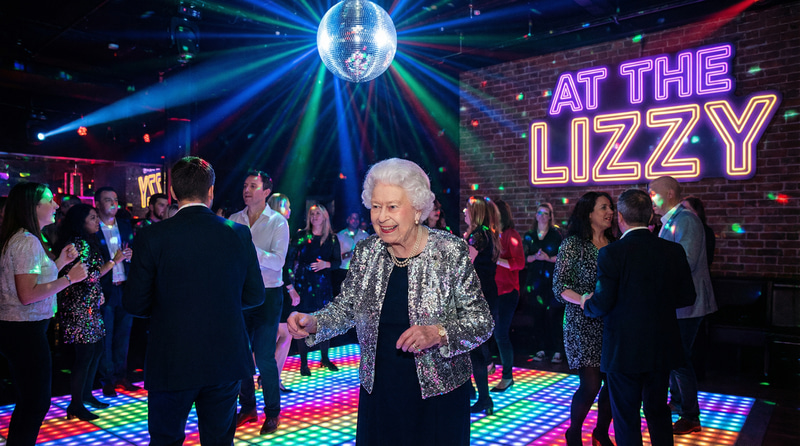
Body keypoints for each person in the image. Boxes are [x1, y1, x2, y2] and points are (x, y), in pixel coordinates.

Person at [287, 158, 494, 445]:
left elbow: (482, 322)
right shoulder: (367, 251)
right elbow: (347, 308)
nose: (381, 217)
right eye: (376, 206)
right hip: (379, 392)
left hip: (439, 396)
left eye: (392, 207)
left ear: (417, 209)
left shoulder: (449, 250)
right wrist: (314, 322)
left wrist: (439, 333)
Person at [123, 157, 265, 446]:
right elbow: (255, 295)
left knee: (165, 440)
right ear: (210, 191)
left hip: (171, 357)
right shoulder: (238, 233)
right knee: (219, 441)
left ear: (173, 192)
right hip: (225, 357)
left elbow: (135, 303)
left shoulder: (152, 236)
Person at [583, 189, 697, 446]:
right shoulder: (673, 250)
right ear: (650, 216)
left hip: (624, 349)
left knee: (626, 417)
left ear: (621, 218)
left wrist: (586, 304)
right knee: (658, 411)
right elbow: (687, 297)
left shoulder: (612, 253)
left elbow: (602, 303)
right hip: (661, 346)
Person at [0, 183, 87, 446]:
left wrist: (60, 263)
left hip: (20, 329)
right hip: (24, 330)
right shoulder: (26, 241)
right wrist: (69, 279)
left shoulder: (23, 238)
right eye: (49, 200)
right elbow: (27, 294)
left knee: (29, 401)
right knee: (35, 403)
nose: (56, 205)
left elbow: (34, 280)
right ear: (33, 206)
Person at [649, 176, 717, 435]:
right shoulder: (673, 220)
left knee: (679, 359)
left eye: (653, 193)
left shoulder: (685, 220)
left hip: (688, 304)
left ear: (669, 193)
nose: (650, 199)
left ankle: (690, 416)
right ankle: (678, 403)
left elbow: (685, 262)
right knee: (675, 356)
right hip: (679, 304)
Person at [228, 170, 289, 434]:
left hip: (268, 295)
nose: (247, 190)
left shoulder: (278, 222)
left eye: (253, 186)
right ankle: (248, 407)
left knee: (264, 356)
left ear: (266, 192)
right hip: (240, 293)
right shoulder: (234, 219)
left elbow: (278, 261)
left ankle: (272, 413)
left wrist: (250, 248)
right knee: (241, 354)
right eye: (245, 185)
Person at [553, 191, 616, 446]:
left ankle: (601, 432)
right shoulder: (573, 245)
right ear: (589, 213)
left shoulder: (615, 243)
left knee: (612, 383)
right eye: (604, 207)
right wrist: (582, 299)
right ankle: (574, 432)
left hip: (611, 322)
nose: (610, 212)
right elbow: (559, 286)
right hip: (582, 321)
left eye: (611, 207)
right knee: (590, 384)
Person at [54, 204, 126, 420]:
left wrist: (98, 292)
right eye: (93, 218)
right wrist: (114, 261)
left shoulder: (87, 241)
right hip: (78, 307)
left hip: (90, 305)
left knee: (95, 350)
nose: (97, 221)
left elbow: (92, 275)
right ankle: (75, 404)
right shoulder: (77, 243)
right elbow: (89, 275)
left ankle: (85, 395)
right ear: (81, 221)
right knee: (85, 355)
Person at [289, 204, 341, 376]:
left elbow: (337, 262)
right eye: (312, 214)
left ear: (325, 216)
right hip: (304, 283)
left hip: (323, 284)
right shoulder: (302, 235)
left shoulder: (331, 238)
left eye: (318, 213)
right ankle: (304, 363)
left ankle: (324, 358)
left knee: (323, 322)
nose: (314, 216)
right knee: (302, 322)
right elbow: (290, 258)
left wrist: (326, 264)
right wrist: (290, 284)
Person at [94, 186, 135, 397]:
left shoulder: (126, 225)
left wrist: (132, 255)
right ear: (97, 204)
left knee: (123, 335)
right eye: (108, 199)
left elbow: (137, 252)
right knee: (106, 335)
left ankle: (121, 376)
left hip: (125, 286)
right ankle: (107, 379)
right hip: (106, 288)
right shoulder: (94, 228)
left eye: (115, 199)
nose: (113, 203)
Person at [462, 195, 499, 415]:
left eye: (467, 209)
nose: (464, 213)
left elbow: (464, 265)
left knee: (474, 348)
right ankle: (474, 392)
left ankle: (484, 398)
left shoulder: (478, 235)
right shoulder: (487, 233)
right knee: (472, 346)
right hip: (486, 294)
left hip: (478, 296)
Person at [267, 193, 301, 394]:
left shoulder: (267, 226)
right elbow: (281, 263)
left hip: (270, 287)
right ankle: (272, 379)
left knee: (279, 334)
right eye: (287, 206)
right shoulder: (280, 225)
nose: (290, 210)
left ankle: (271, 378)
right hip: (278, 287)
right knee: (283, 334)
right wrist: (291, 289)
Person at [491, 199, 525, 392]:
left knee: (501, 334)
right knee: (489, 333)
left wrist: (497, 259)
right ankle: (489, 365)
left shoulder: (512, 235)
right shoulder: (492, 234)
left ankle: (507, 377)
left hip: (508, 291)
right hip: (493, 291)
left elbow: (519, 263)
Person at [523, 203, 564, 364]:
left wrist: (548, 258)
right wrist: (534, 257)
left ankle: (557, 350)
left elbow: (562, 258)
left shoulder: (556, 235)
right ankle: (540, 349)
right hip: (534, 281)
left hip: (551, 280)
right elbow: (523, 258)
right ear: (536, 215)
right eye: (540, 213)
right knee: (537, 315)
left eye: (546, 213)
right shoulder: (530, 235)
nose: (542, 216)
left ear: (550, 216)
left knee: (554, 316)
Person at [334, 211, 369, 296]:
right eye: (353, 218)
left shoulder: (364, 235)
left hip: (359, 271)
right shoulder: (340, 235)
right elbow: (336, 256)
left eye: (357, 218)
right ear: (348, 220)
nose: (355, 221)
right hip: (343, 271)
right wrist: (348, 254)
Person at [681, 196, 715, 266]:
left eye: (687, 209)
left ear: (697, 212)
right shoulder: (681, 229)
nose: (683, 213)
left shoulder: (705, 231)